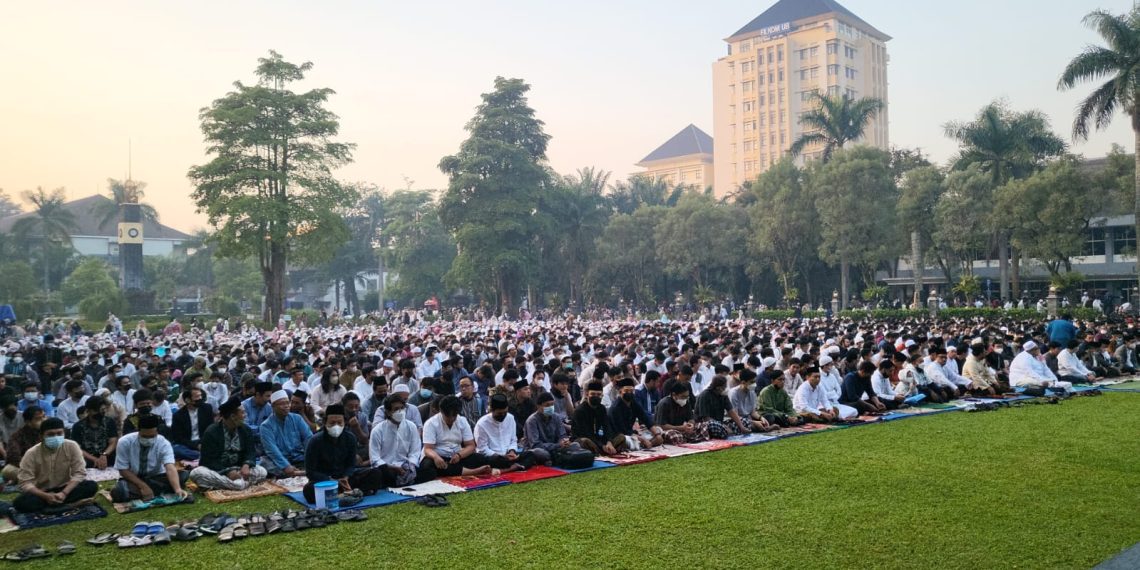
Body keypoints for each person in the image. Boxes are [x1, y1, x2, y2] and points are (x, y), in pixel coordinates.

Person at [303, 404, 387, 503]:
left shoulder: (350, 438)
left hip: (345, 479)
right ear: (325, 422)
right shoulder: (315, 440)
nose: (336, 426)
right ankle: (350, 493)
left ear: (345, 422)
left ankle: (343, 493)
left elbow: (351, 464)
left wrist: (346, 477)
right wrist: (330, 480)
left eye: (339, 423)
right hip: (325, 481)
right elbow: (310, 471)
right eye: (332, 423)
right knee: (309, 490)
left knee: (375, 473)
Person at [12, 417, 98, 513]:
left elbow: (79, 473)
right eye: (51, 434)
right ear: (41, 436)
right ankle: (70, 505)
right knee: (20, 503)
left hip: (66, 488)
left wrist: (64, 493)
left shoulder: (72, 446)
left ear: (64, 433)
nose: (56, 437)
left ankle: (52, 506)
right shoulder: (31, 453)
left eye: (59, 433)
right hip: (42, 492)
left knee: (91, 486)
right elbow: (25, 482)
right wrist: (46, 496)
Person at [190, 397, 268, 490]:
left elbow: (250, 452)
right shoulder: (211, 432)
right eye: (242, 413)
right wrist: (228, 472)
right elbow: (208, 461)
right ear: (233, 416)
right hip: (219, 471)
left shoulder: (245, 430)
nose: (245, 415)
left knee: (262, 471)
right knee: (197, 473)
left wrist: (246, 465)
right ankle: (240, 485)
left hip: (240, 470)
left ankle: (234, 485)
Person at [110, 414, 190, 502]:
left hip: (156, 477)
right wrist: (143, 486)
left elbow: (170, 467)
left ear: (157, 432)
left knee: (182, 476)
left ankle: (150, 491)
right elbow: (123, 470)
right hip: (134, 479)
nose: (148, 439)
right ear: (138, 431)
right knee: (119, 491)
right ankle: (158, 490)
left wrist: (177, 489)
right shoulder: (125, 442)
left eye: (152, 436)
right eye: (145, 436)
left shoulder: (163, 443)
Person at [420, 395, 492, 480]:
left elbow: (471, 445)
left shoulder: (462, 421)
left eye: (454, 415)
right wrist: (436, 457)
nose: (451, 418)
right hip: (438, 457)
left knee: (481, 459)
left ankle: (458, 471)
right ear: (441, 412)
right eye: (448, 416)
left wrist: (459, 455)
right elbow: (428, 449)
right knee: (427, 467)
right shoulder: (431, 423)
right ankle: (472, 472)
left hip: (456, 457)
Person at [476, 394, 544, 471]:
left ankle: (508, 469)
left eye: (505, 413)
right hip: (494, 457)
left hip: (509, 457)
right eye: (499, 414)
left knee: (530, 454)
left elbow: (513, 440)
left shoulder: (510, 418)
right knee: (483, 460)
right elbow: (483, 448)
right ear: (491, 410)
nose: (503, 416)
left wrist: (512, 451)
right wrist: (500, 456)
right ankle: (515, 467)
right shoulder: (482, 424)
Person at [368, 395, 425, 486]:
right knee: (379, 473)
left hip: (406, 465)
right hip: (387, 467)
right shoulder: (378, 430)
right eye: (396, 409)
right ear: (388, 412)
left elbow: (415, 451)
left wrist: (410, 466)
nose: (400, 412)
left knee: (427, 469)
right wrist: (393, 467)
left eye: (402, 408)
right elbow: (374, 459)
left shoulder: (411, 427)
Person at [260, 390, 311, 477]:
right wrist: (285, 466)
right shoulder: (266, 426)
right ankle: (302, 472)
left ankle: (299, 472)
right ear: (273, 406)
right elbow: (272, 450)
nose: (286, 406)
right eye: (282, 404)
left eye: (288, 403)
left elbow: (309, 439)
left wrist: (311, 458)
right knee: (265, 463)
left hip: (299, 457)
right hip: (279, 461)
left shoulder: (297, 418)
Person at [608, 378, 664, 448]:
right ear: (620, 391)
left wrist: (657, 434)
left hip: (632, 434)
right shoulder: (615, 408)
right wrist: (642, 439)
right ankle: (643, 444)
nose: (629, 393)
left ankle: (645, 444)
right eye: (626, 390)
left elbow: (645, 418)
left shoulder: (633, 403)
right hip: (620, 435)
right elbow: (623, 431)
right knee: (627, 441)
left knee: (658, 430)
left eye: (631, 390)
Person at [571, 382, 621, 455]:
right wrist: (602, 445)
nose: (596, 396)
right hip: (583, 439)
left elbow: (606, 427)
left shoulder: (602, 408)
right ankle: (602, 451)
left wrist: (609, 441)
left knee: (621, 437)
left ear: (602, 395)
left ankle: (606, 450)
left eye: (598, 395)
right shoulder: (580, 411)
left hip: (599, 439)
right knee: (585, 441)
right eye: (593, 394)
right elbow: (585, 433)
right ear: (587, 395)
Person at [69, 395, 119, 469]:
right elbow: (78, 448)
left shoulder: (109, 422)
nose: (100, 412)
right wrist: (95, 459)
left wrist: (104, 454)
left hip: (107, 456)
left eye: (102, 410)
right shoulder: (78, 426)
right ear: (88, 411)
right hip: (87, 458)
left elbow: (113, 442)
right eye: (96, 410)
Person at [1, 406, 43, 484]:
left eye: (43, 417)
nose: (42, 420)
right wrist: (33, 467)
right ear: (28, 422)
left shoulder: (47, 433)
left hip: (47, 465)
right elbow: (14, 457)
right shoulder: (17, 436)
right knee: (8, 470)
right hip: (27, 467)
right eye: (38, 419)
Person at [171, 386, 214, 461]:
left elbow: (210, 428)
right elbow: (178, 438)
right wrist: (196, 446)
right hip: (187, 444)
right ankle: (202, 455)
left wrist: (202, 443)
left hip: (203, 441)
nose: (200, 398)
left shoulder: (207, 408)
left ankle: (202, 455)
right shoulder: (178, 415)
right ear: (188, 400)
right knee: (176, 449)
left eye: (200, 395)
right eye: (197, 396)